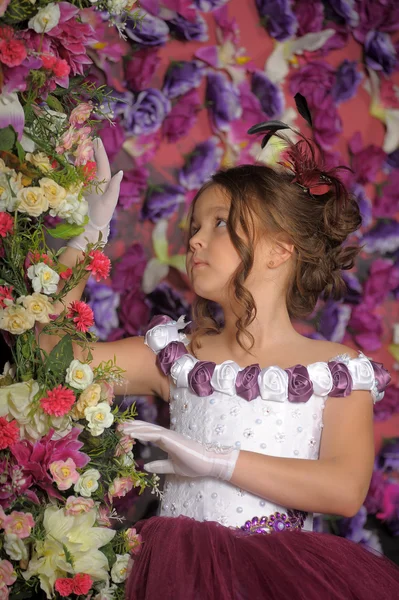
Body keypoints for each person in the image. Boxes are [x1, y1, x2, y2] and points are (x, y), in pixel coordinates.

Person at [43, 122, 399, 599]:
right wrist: (84, 236)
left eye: (220, 223)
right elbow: (51, 355)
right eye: (193, 226)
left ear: (280, 249)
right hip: (175, 571)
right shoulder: (178, 357)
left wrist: (218, 460)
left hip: (281, 578)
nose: (193, 241)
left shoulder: (336, 372)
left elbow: (344, 489)